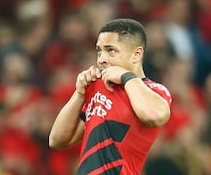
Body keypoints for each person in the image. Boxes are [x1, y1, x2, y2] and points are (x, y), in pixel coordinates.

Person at [49, 18, 172, 175]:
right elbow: (57, 140)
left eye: (111, 50)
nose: (101, 59)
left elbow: (155, 116)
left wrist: (126, 77)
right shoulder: (97, 88)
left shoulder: (153, 90)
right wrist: (79, 93)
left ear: (136, 54)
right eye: (99, 50)